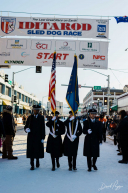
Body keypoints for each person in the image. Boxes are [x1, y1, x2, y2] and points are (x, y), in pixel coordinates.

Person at [24, 105, 45, 170]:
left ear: (39, 110)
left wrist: (42, 137)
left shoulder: (41, 117)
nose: (36, 111)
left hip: (38, 137)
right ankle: (32, 164)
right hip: (31, 137)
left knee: (37, 150)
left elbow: (43, 128)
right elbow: (26, 126)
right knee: (31, 151)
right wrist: (26, 129)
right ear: (33, 110)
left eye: (37, 110)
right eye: (35, 110)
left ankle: (37, 160)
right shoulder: (30, 118)